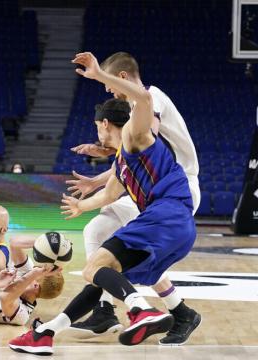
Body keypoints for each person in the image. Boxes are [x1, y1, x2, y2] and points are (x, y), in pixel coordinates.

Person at [8, 52, 197, 354]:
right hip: (174, 226)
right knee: (101, 274)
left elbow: (145, 102)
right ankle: (46, 333)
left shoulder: (136, 134)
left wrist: (99, 75)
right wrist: (82, 205)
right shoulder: (122, 160)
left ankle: (141, 309)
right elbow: (109, 194)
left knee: (94, 266)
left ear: (105, 123)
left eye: (97, 128)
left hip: (168, 213)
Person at [65, 52, 201, 345]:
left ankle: (113, 307)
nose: (110, 91)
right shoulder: (131, 113)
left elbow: (141, 150)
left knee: (122, 249)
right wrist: (97, 177)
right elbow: (127, 164)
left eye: (111, 85)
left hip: (177, 187)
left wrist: (99, 73)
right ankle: (166, 310)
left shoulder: (151, 98)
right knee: (101, 233)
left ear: (122, 77)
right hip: (156, 190)